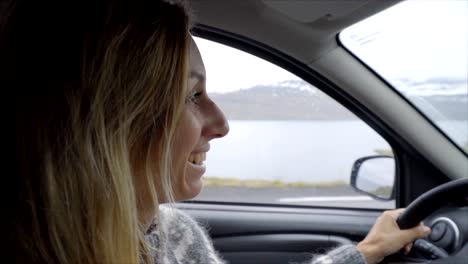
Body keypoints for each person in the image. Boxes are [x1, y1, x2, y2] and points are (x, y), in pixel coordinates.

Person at [3, 0, 431, 263]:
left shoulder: (171, 235)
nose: (222, 125)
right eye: (192, 96)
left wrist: (366, 252)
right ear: (108, 125)